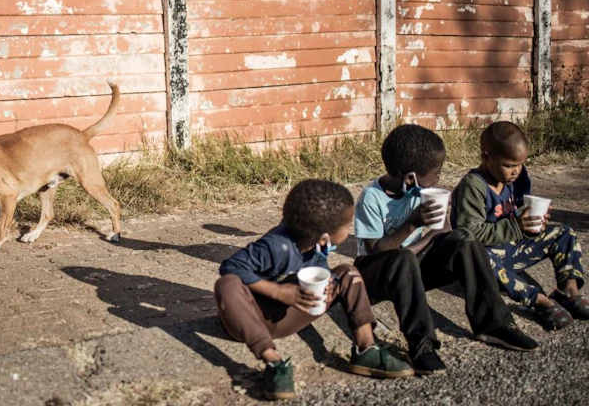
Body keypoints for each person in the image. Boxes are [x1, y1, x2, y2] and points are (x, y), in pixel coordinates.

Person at [354, 124, 539, 376]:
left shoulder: (421, 192)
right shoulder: (371, 198)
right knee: (403, 257)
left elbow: (438, 236)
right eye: (436, 174)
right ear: (411, 178)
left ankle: (494, 323)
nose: (439, 179)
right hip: (377, 275)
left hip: (413, 266)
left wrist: (440, 228)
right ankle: (422, 344)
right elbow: (376, 251)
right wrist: (412, 224)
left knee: (463, 237)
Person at [215, 179, 413, 401]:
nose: (350, 230)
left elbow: (319, 270)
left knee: (349, 272)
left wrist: (328, 285)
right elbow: (229, 267)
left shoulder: (319, 244)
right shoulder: (275, 245)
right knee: (227, 284)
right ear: (324, 235)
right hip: (254, 320)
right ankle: (274, 362)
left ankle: (366, 349)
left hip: (295, 312)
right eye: (347, 225)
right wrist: (278, 292)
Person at [451, 121, 588, 330]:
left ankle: (569, 291)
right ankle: (539, 301)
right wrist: (516, 226)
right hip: (485, 259)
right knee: (481, 259)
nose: (516, 171)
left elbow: (515, 211)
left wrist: (532, 220)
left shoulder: (514, 179)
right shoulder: (473, 186)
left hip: (511, 247)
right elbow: (469, 233)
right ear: (486, 157)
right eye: (509, 165)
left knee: (564, 233)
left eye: (520, 164)